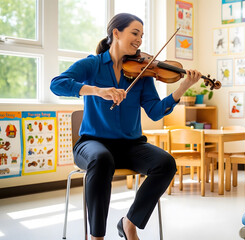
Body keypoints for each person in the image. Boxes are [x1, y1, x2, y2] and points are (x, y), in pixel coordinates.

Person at [50, 13, 202, 240]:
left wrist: (182, 88)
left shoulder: (143, 72)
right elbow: (57, 84)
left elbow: (155, 110)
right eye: (135, 33)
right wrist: (97, 90)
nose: (140, 39)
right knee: (102, 159)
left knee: (166, 163)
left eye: (142, 35)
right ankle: (97, 237)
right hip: (92, 144)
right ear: (116, 33)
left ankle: (129, 223)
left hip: (130, 145)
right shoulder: (92, 65)